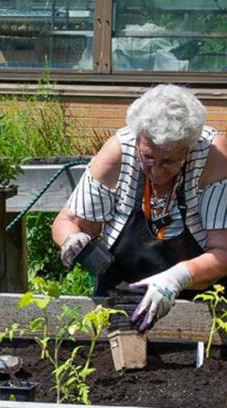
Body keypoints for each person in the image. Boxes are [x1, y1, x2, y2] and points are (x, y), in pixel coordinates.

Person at [53, 84, 227, 332]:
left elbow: (223, 251)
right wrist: (73, 239)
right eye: (148, 157)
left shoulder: (213, 155)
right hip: (122, 298)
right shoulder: (118, 152)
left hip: (199, 305)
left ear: (189, 148)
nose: (156, 170)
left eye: (168, 161)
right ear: (138, 139)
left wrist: (175, 279)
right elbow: (68, 221)